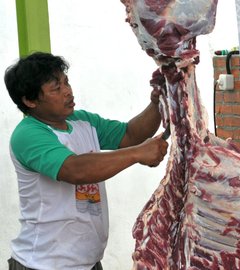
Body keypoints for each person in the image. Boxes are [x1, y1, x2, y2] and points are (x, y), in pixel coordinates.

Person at [4, 52, 169, 270]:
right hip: (43, 264)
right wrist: (137, 153)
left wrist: (157, 102)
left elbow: (130, 135)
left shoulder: (81, 120)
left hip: (87, 262)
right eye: (56, 88)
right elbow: (74, 170)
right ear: (30, 100)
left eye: (66, 82)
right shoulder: (28, 134)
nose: (67, 91)